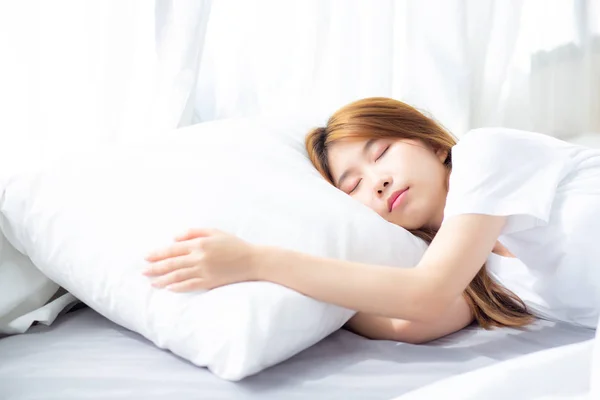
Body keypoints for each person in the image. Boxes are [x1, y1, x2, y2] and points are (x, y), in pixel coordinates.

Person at [142, 97, 600, 344]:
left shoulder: (485, 154)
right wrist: (307, 293)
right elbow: (408, 322)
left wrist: (256, 261)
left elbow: (423, 296)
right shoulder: (474, 271)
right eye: (353, 186)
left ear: (434, 145)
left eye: (380, 152)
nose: (377, 183)